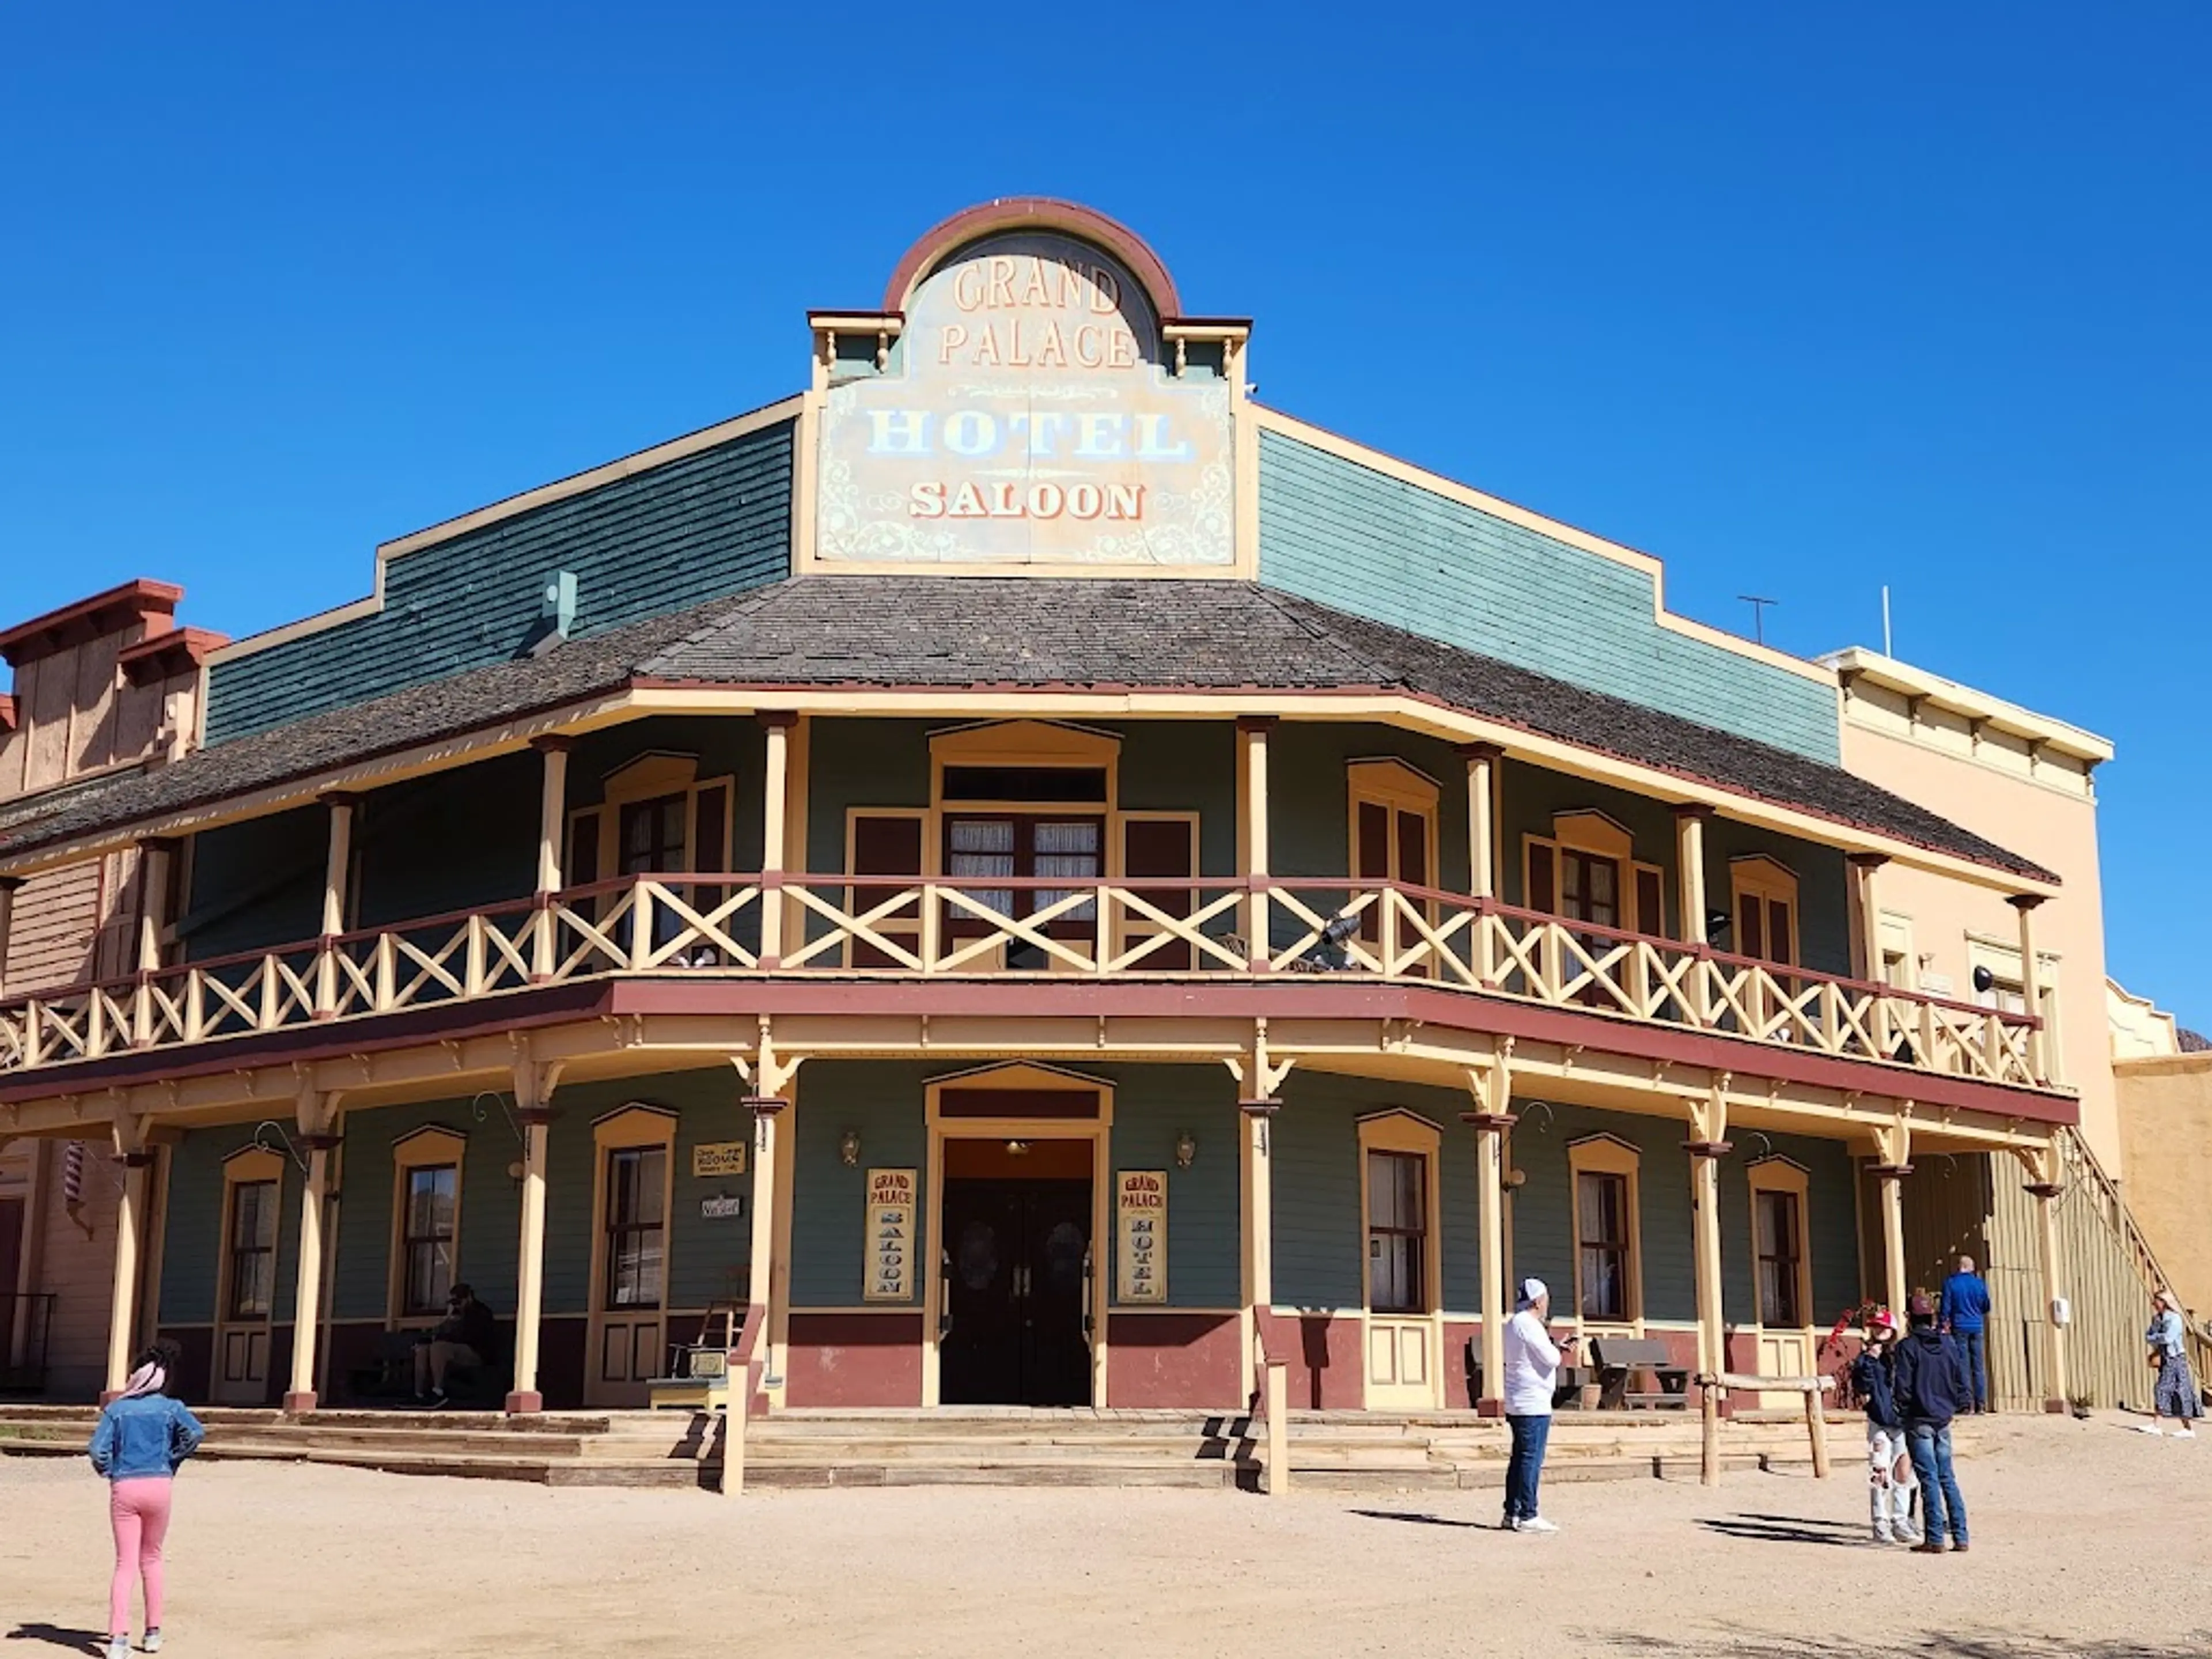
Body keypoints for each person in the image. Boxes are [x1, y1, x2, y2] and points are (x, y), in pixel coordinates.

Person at [88, 1346, 206, 1659]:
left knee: (125, 1563)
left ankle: (118, 1640)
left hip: (125, 1487)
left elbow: (97, 1449)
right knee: (152, 1559)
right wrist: (171, 1460)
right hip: (159, 1484)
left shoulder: (117, 1410)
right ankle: (153, 1633)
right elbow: (195, 1433)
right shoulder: (172, 1407)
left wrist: (110, 1471)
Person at [1892, 1291, 1975, 1554]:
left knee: (1929, 1478)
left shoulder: (1907, 1348)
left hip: (1919, 1417)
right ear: (1932, 1317)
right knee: (1947, 1476)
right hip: (1943, 1416)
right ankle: (1960, 1536)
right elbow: (1961, 1375)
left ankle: (1935, 1537)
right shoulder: (1949, 1344)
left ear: (1909, 1317)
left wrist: (1902, 1409)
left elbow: (1903, 1386)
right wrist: (1962, 1401)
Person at [1499, 1277, 1578, 1533]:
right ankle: (1528, 1514)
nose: (1547, 1303)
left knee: (1520, 1458)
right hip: (1532, 1402)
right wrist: (1557, 1349)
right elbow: (1551, 1358)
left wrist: (1555, 1344)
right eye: (1545, 1299)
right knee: (1531, 1459)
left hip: (1520, 1400)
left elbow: (1537, 1351)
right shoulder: (1529, 1325)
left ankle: (1512, 1512)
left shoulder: (1514, 1323)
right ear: (1538, 1301)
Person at [1849, 1308, 1921, 1545]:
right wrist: (1870, 1360)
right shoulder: (1865, 1358)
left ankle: (1901, 1520)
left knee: (1904, 1471)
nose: (1880, 1331)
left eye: (1884, 1327)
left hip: (1901, 1421)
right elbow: (1861, 1384)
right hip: (1879, 1420)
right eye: (1876, 1327)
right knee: (1880, 1472)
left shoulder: (1900, 1356)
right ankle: (1880, 1522)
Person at [413, 1282, 497, 1406]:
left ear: (469, 1298)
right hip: (454, 1348)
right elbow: (443, 1332)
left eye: (458, 1302)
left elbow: (468, 1337)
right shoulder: (456, 1313)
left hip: (476, 1352)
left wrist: (451, 1332)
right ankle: (418, 1393)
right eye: (453, 1303)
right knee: (423, 1349)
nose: (456, 1306)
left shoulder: (480, 1313)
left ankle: (438, 1391)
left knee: (439, 1347)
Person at [2137, 1289, 2200, 1438]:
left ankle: (2157, 1425)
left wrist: (2156, 1337)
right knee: (2173, 1389)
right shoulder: (2158, 1318)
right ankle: (2186, 1428)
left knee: (2168, 1389)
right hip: (2167, 1358)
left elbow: (2168, 1338)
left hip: (2176, 1359)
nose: (2154, 1304)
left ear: (2164, 1302)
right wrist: (2156, 1337)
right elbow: (2149, 1336)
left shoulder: (2174, 1319)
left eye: (2157, 1301)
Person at [1938, 1255, 1993, 1414]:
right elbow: (1986, 1305)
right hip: (1976, 1325)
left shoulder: (1951, 1283)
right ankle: (1981, 1403)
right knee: (1978, 1366)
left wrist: (1943, 1323)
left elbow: (1946, 1308)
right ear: (1971, 1268)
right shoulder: (1979, 1284)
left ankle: (1966, 1403)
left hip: (1959, 1325)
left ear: (1959, 1267)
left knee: (1962, 1364)